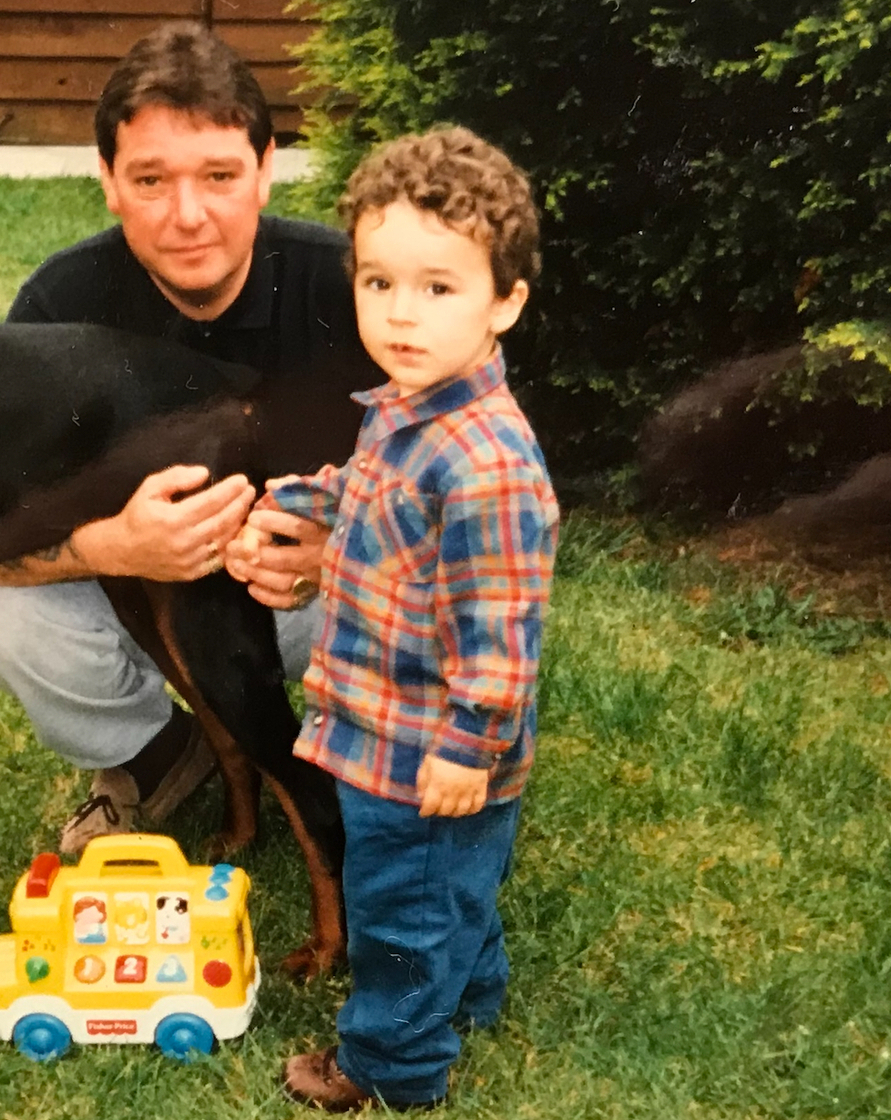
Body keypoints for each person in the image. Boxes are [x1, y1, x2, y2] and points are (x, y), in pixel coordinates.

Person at [0, 22, 381, 856]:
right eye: (151, 179)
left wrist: (346, 548)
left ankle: (387, 752)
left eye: (219, 175)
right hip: (156, 600)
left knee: (441, 574)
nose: (188, 217)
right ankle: (157, 753)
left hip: (325, 598)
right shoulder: (58, 308)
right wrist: (111, 546)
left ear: (266, 169)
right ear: (107, 179)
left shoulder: (354, 285)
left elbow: (481, 476)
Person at [257, 126, 559, 1111]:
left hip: (427, 750)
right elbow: (363, 486)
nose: (400, 312)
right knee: (448, 893)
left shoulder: (486, 465)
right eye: (377, 282)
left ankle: (389, 1063)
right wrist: (303, 504)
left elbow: (500, 626)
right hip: (384, 726)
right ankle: (470, 994)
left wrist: (468, 747)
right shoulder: (405, 406)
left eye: (438, 287)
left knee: (401, 912)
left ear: (503, 301)